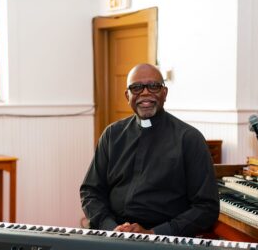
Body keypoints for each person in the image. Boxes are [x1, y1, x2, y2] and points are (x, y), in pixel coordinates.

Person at [80, 63, 219, 237]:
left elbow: (206, 207)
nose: (145, 93)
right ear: (127, 95)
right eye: (136, 87)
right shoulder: (111, 135)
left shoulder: (189, 139)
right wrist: (110, 227)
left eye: (153, 86)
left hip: (166, 241)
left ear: (164, 93)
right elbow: (91, 191)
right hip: (113, 235)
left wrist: (154, 233)